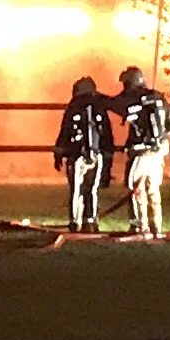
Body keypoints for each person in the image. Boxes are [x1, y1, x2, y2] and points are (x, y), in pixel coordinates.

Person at [112, 62, 170, 240]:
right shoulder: (158, 98)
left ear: (131, 83)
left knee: (135, 187)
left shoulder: (134, 99)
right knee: (153, 189)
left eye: (125, 84)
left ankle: (140, 227)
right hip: (158, 153)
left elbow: (115, 104)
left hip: (141, 153)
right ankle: (158, 227)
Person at [50, 76, 118, 234]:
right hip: (96, 155)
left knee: (76, 190)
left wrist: (58, 155)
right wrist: (108, 158)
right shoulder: (99, 107)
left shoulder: (73, 107)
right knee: (92, 190)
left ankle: (75, 222)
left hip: (76, 156)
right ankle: (91, 222)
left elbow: (65, 131)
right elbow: (106, 134)